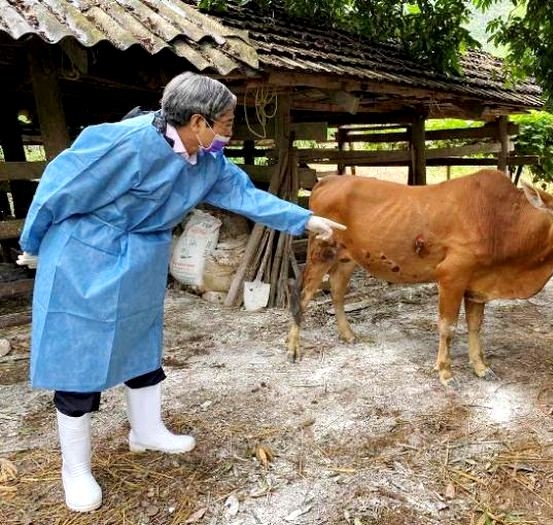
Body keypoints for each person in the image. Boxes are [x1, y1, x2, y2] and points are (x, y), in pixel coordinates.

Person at [14, 72, 345, 512]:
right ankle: (75, 469)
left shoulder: (208, 160)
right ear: (197, 121)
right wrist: (33, 243)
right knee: (80, 357)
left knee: (140, 341)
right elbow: (58, 188)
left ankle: (146, 430)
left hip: (142, 256)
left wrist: (304, 220)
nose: (231, 130)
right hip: (86, 255)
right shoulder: (120, 143)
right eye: (226, 122)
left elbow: (244, 196)